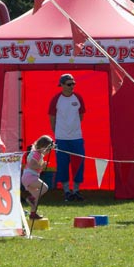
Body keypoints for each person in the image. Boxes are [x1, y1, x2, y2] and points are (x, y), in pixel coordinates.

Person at [49, 73, 86, 201]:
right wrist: (57, 132)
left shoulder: (78, 97)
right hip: (61, 138)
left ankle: (76, 190)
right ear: (62, 85)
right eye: (69, 84)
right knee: (62, 164)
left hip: (77, 137)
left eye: (73, 84)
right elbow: (52, 117)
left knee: (79, 163)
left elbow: (81, 116)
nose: (72, 86)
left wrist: (73, 128)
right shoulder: (56, 99)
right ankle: (66, 191)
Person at [22, 135, 54, 220]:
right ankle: (30, 198)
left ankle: (33, 214)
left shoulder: (35, 153)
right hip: (30, 176)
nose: (48, 152)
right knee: (44, 187)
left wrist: (41, 166)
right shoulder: (37, 154)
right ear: (44, 147)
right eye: (48, 150)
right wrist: (41, 166)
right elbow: (32, 165)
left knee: (36, 197)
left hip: (27, 177)